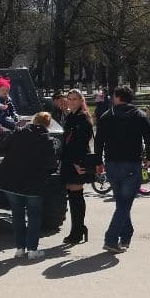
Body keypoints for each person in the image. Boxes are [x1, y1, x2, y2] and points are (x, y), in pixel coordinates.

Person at [94, 86, 150, 253]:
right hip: (131, 163)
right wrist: (148, 157)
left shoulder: (107, 116)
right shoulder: (139, 115)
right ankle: (111, 238)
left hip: (112, 163)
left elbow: (98, 141)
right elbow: (149, 139)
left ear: (117, 97)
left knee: (121, 202)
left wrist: (98, 161)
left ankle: (127, 234)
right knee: (125, 203)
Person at [0, 111, 57, 260]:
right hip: (34, 185)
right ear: (48, 125)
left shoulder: (20, 133)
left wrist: (16, 129)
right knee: (34, 216)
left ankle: (20, 248)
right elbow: (52, 165)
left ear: (34, 120)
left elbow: (2, 145)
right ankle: (33, 249)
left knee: (17, 215)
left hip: (12, 182)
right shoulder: (48, 140)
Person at [59, 89, 94, 245]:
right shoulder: (71, 116)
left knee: (76, 196)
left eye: (75, 99)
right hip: (69, 160)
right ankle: (78, 229)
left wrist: (77, 163)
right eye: (70, 98)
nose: (72, 101)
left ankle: (77, 231)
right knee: (73, 196)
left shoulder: (83, 118)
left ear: (81, 101)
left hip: (78, 161)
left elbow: (80, 143)